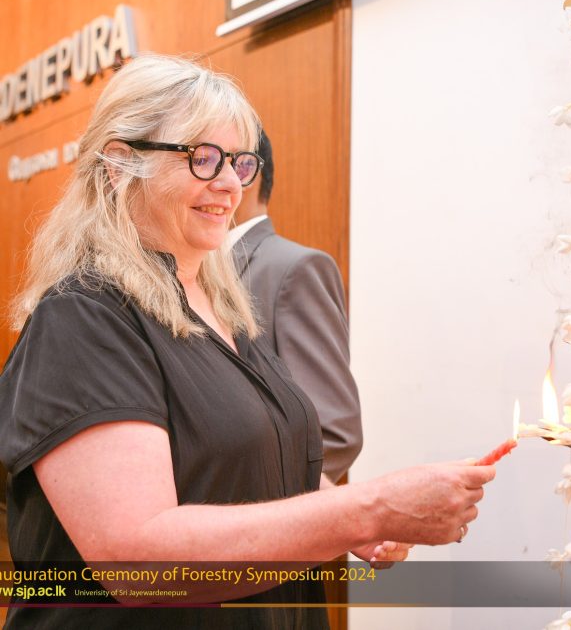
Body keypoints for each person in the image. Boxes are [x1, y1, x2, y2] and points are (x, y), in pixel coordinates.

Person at [0, 54, 495, 629]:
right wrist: (366, 509)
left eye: (239, 162)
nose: (232, 184)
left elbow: (258, 455)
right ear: (119, 165)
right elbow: (138, 562)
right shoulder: (83, 315)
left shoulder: (221, 309)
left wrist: (355, 517)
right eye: (203, 158)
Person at [227, 130, 361, 483]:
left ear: (245, 171)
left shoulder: (295, 269)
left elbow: (334, 432)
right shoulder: (190, 269)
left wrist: (254, 504)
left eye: (210, 161)